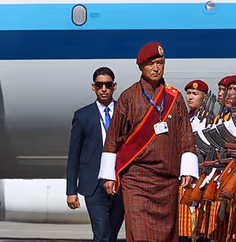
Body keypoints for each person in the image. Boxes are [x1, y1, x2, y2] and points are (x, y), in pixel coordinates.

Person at [99, 43, 197, 242]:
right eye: (150, 64)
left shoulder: (175, 98)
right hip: (136, 179)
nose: (156, 68)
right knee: (140, 234)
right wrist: (109, 175)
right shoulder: (128, 97)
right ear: (140, 67)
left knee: (166, 236)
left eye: (160, 63)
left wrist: (188, 169)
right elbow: (113, 137)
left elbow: (185, 134)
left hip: (167, 180)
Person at [66, 66, 124, 242]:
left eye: (107, 84)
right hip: (93, 183)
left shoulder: (125, 113)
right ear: (93, 87)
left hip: (119, 182)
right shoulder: (83, 116)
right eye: (99, 85)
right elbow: (73, 155)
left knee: (112, 234)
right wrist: (71, 191)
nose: (103, 89)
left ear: (114, 86)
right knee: (102, 234)